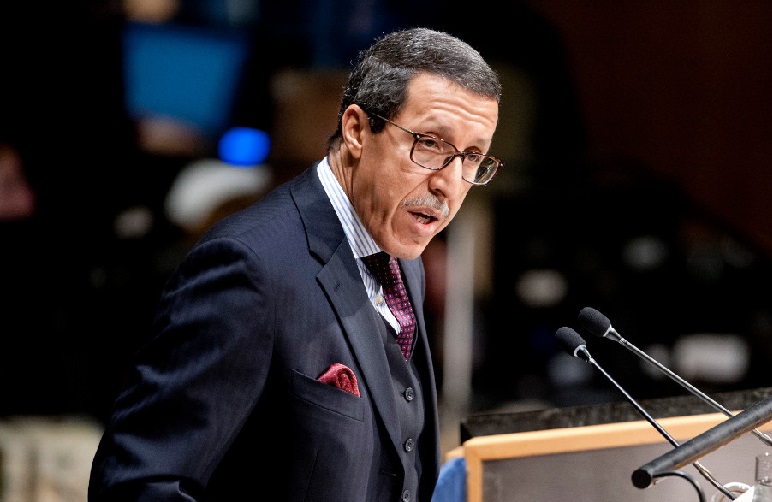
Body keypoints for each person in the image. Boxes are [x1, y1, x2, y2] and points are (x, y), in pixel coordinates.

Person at [88, 27, 502, 502]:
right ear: (357, 130)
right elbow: (138, 485)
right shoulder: (249, 269)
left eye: (472, 157)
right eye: (429, 143)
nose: (450, 183)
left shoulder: (403, 259)